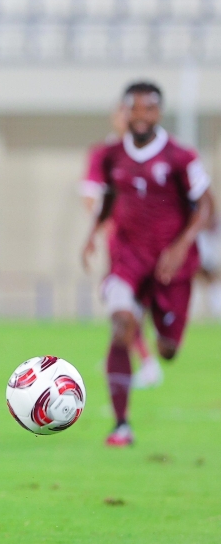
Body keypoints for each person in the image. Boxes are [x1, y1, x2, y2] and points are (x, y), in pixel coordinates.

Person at [82, 81, 214, 447]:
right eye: (134, 109)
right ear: (124, 112)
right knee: (121, 324)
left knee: (168, 349)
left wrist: (181, 245)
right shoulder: (110, 155)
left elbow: (205, 205)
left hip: (173, 265)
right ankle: (121, 425)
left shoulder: (180, 157)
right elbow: (106, 197)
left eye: (148, 109)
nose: (140, 116)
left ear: (159, 112)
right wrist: (92, 233)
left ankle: (162, 337)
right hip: (127, 258)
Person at [80, 105, 163, 389]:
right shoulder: (106, 154)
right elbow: (90, 194)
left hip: (148, 245)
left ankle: (144, 362)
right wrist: (104, 225)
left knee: (126, 303)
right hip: (121, 244)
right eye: (120, 115)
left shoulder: (158, 154)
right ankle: (128, 357)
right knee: (122, 302)